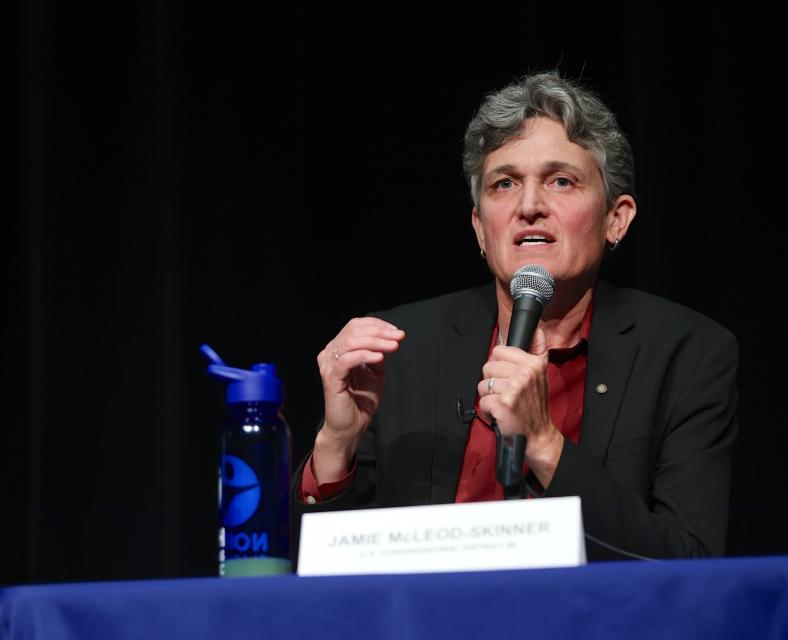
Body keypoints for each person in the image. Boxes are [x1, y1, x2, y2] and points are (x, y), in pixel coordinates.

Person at [293, 71, 738, 561]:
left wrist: (545, 444)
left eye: (561, 181)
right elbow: (318, 570)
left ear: (618, 218)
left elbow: (689, 561)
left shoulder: (686, 353)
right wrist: (337, 444)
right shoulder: (402, 348)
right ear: (480, 229)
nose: (529, 206)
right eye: (505, 183)